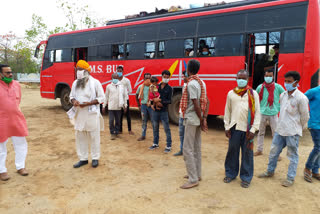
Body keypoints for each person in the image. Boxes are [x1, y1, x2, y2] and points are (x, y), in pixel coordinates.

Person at [258, 71, 309, 187]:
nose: (286, 83)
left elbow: (305, 116)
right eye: (285, 81)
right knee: (273, 152)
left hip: (292, 132)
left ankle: (290, 178)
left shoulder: (301, 98)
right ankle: (270, 171)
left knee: (292, 156)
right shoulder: (283, 95)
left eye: (289, 81)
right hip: (280, 130)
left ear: (296, 83)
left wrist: (298, 127)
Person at [223, 69, 260, 188]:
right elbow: (227, 111)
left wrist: (253, 129)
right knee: (232, 152)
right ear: (236, 79)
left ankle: (246, 177)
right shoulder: (231, 93)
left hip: (248, 130)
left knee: (247, 154)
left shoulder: (253, 94)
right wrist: (226, 127)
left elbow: (258, 113)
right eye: (239, 78)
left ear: (248, 79)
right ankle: (230, 173)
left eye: (244, 78)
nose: (241, 80)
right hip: (234, 127)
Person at [69, 60, 105, 168]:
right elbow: (71, 96)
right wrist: (74, 101)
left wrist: (89, 103)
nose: (78, 72)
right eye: (77, 69)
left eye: (80, 69)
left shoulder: (95, 83)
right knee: (80, 137)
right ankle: (83, 158)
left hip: (91, 114)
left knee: (94, 137)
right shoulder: (75, 83)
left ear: (86, 71)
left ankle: (95, 158)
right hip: (79, 115)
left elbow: (102, 98)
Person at [179, 60, 209, 189]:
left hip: (192, 118)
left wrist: (202, 119)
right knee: (196, 147)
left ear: (188, 70)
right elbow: (206, 101)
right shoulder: (202, 82)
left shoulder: (191, 84)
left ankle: (193, 179)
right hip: (197, 118)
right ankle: (197, 174)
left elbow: (196, 104)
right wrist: (203, 118)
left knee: (187, 148)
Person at [0, 64, 29, 181]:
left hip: (16, 118)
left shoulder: (16, 85)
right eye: (7, 73)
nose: (10, 74)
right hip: (1, 120)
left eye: (11, 72)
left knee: (21, 143)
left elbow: (18, 101)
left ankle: (20, 167)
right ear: (0, 74)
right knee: (1, 146)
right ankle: (2, 170)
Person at [254, 68, 285, 156]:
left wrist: (279, 107)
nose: (268, 77)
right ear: (264, 76)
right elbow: (255, 99)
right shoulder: (260, 87)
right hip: (262, 113)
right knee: (260, 133)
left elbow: (285, 96)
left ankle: (276, 153)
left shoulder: (278, 87)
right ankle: (259, 150)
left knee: (275, 134)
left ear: (273, 77)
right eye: (266, 76)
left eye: (270, 76)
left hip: (273, 113)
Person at [149, 70, 173, 153]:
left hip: (164, 111)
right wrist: (152, 103)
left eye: (167, 77)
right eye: (164, 76)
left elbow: (169, 101)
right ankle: (155, 143)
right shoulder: (156, 86)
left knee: (166, 128)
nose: (166, 78)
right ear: (162, 76)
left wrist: (160, 101)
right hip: (155, 111)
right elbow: (151, 95)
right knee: (155, 127)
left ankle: (168, 145)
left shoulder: (169, 88)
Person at [103, 73, 127, 140]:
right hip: (111, 107)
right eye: (114, 78)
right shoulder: (108, 86)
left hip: (118, 107)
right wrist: (104, 106)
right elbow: (106, 97)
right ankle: (112, 133)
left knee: (118, 121)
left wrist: (125, 106)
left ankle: (116, 132)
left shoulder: (122, 86)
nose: (115, 79)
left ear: (118, 78)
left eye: (116, 78)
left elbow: (125, 96)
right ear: (111, 78)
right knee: (111, 121)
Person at [303, 85, 320, 182]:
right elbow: (302, 100)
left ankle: (315, 170)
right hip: (315, 124)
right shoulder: (314, 91)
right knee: (318, 147)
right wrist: (308, 113)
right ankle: (308, 168)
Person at [174, 71, 188, 157]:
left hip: (187, 115)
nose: (183, 78)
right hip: (182, 113)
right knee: (181, 133)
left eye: (185, 76)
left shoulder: (191, 86)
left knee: (188, 134)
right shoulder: (185, 86)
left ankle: (187, 151)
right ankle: (182, 149)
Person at [117, 66, 134, 135]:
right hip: (118, 100)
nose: (119, 72)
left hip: (125, 99)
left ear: (123, 71)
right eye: (118, 71)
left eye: (120, 71)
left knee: (128, 115)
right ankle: (120, 130)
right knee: (119, 115)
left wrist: (124, 94)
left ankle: (129, 130)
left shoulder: (126, 80)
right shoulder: (115, 80)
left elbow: (130, 90)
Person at [136, 73, 152, 141]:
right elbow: (136, 95)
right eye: (146, 78)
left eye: (149, 78)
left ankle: (156, 136)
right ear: (143, 79)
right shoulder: (140, 87)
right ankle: (143, 135)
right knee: (143, 121)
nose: (148, 80)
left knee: (154, 121)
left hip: (151, 106)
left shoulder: (153, 87)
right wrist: (139, 105)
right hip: (143, 106)